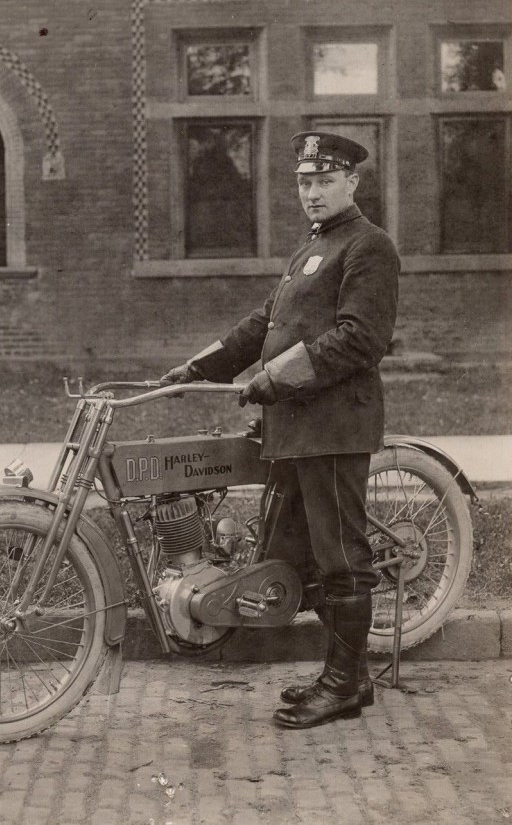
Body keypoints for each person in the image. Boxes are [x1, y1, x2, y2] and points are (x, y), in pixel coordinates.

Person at [161, 131, 400, 729]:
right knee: (304, 557)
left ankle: (347, 684)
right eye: (305, 182)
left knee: (342, 558)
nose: (313, 193)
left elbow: (359, 339)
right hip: (294, 428)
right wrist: (199, 366)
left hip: (334, 426)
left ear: (352, 183)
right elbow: (263, 322)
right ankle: (341, 676)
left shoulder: (370, 247)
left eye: (325, 181)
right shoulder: (310, 251)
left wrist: (271, 378)